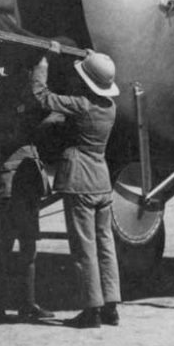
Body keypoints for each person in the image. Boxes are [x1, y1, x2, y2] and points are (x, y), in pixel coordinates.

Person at [31, 47, 121, 328]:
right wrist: (93, 61)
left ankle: (90, 308)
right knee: (105, 244)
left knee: (84, 247)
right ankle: (111, 305)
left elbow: (41, 95)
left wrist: (43, 63)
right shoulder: (110, 107)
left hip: (79, 179)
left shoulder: (81, 104)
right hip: (102, 181)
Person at [0, 79, 57, 323]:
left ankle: (23, 303)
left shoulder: (15, 114)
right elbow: (5, 141)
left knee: (25, 248)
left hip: (24, 187)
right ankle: (3, 306)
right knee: (8, 248)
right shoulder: (0, 118)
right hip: (11, 188)